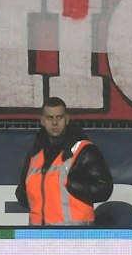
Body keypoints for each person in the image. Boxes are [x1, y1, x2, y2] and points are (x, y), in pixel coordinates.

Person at [12, 97, 114, 227]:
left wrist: (71, 184)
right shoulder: (34, 155)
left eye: (59, 117)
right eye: (50, 118)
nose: (55, 123)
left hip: (75, 236)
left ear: (67, 119)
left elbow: (104, 189)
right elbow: (22, 193)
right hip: (38, 238)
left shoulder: (83, 150)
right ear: (42, 121)